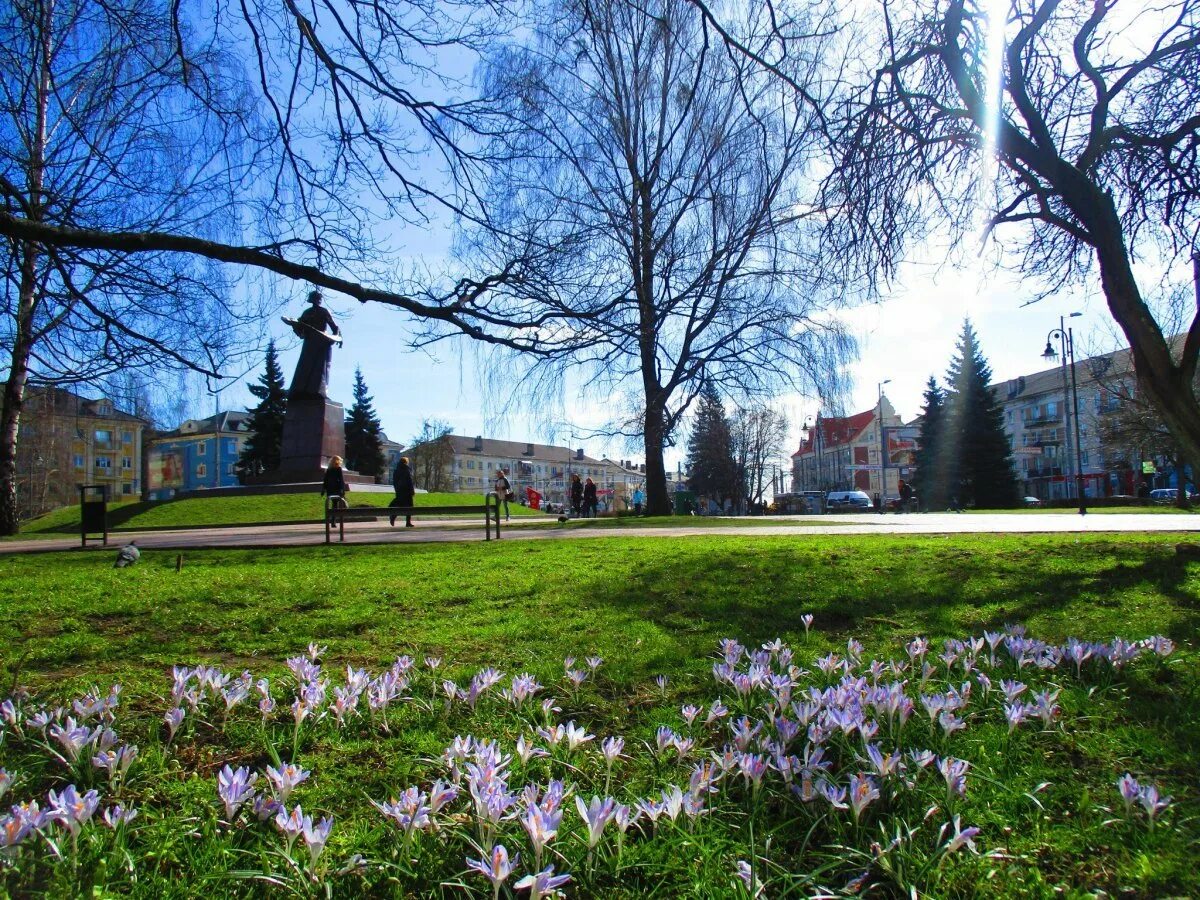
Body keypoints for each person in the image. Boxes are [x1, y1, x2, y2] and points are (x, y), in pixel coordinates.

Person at [286, 290, 340, 400]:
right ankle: (301, 391)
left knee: (320, 368)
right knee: (305, 366)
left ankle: (319, 392)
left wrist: (333, 339)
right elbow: (300, 330)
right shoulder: (307, 313)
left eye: (318, 299)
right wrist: (294, 325)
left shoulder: (324, 312)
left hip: (322, 344)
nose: (316, 301)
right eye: (315, 299)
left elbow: (335, 328)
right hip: (309, 343)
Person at [322, 455, 348, 525]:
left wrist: (323, 490)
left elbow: (325, 480)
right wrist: (343, 490)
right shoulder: (338, 468)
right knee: (339, 504)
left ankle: (333, 520)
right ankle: (335, 520)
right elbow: (341, 480)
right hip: (337, 489)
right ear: (338, 461)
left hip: (330, 490)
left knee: (334, 504)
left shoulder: (329, 469)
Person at [390, 456, 415, 527]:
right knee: (409, 507)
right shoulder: (407, 470)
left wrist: (397, 489)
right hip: (407, 491)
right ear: (406, 462)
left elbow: (394, 482)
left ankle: (393, 516)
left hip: (399, 491)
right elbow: (409, 481)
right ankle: (408, 522)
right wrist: (412, 491)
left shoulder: (396, 470)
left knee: (399, 505)